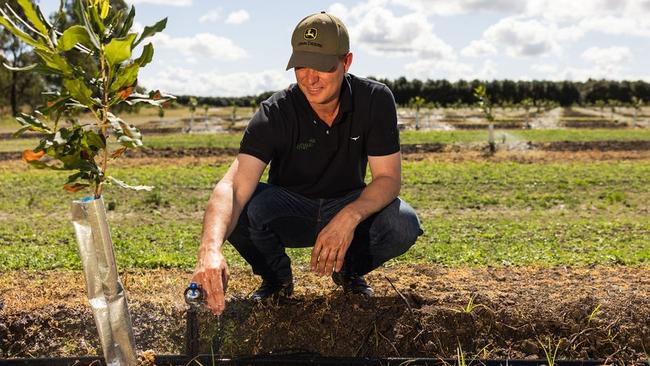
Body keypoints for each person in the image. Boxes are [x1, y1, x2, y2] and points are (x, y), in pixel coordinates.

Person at [192, 11, 423, 315]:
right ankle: (276, 279)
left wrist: (349, 217)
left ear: (347, 62)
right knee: (240, 209)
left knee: (401, 223)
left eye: (323, 66)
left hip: (345, 202)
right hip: (289, 209)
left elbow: (388, 179)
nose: (309, 78)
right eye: (301, 64)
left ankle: (349, 271)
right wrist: (209, 250)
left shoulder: (375, 100)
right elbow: (233, 186)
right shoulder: (276, 112)